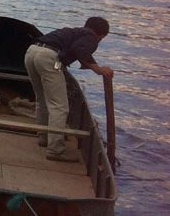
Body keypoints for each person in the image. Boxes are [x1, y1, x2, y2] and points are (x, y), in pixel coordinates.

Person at [24, 16, 114, 161]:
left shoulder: (77, 32)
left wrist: (91, 65)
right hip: (49, 57)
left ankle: (44, 137)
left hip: (32, 51)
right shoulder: (91, 36)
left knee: (42, 99)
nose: (99, 41)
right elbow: (79, 49)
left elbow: (80, 50)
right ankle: (55, 150)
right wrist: (97, 69)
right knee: (59, 107)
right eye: (102, 38)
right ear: (100, 34)